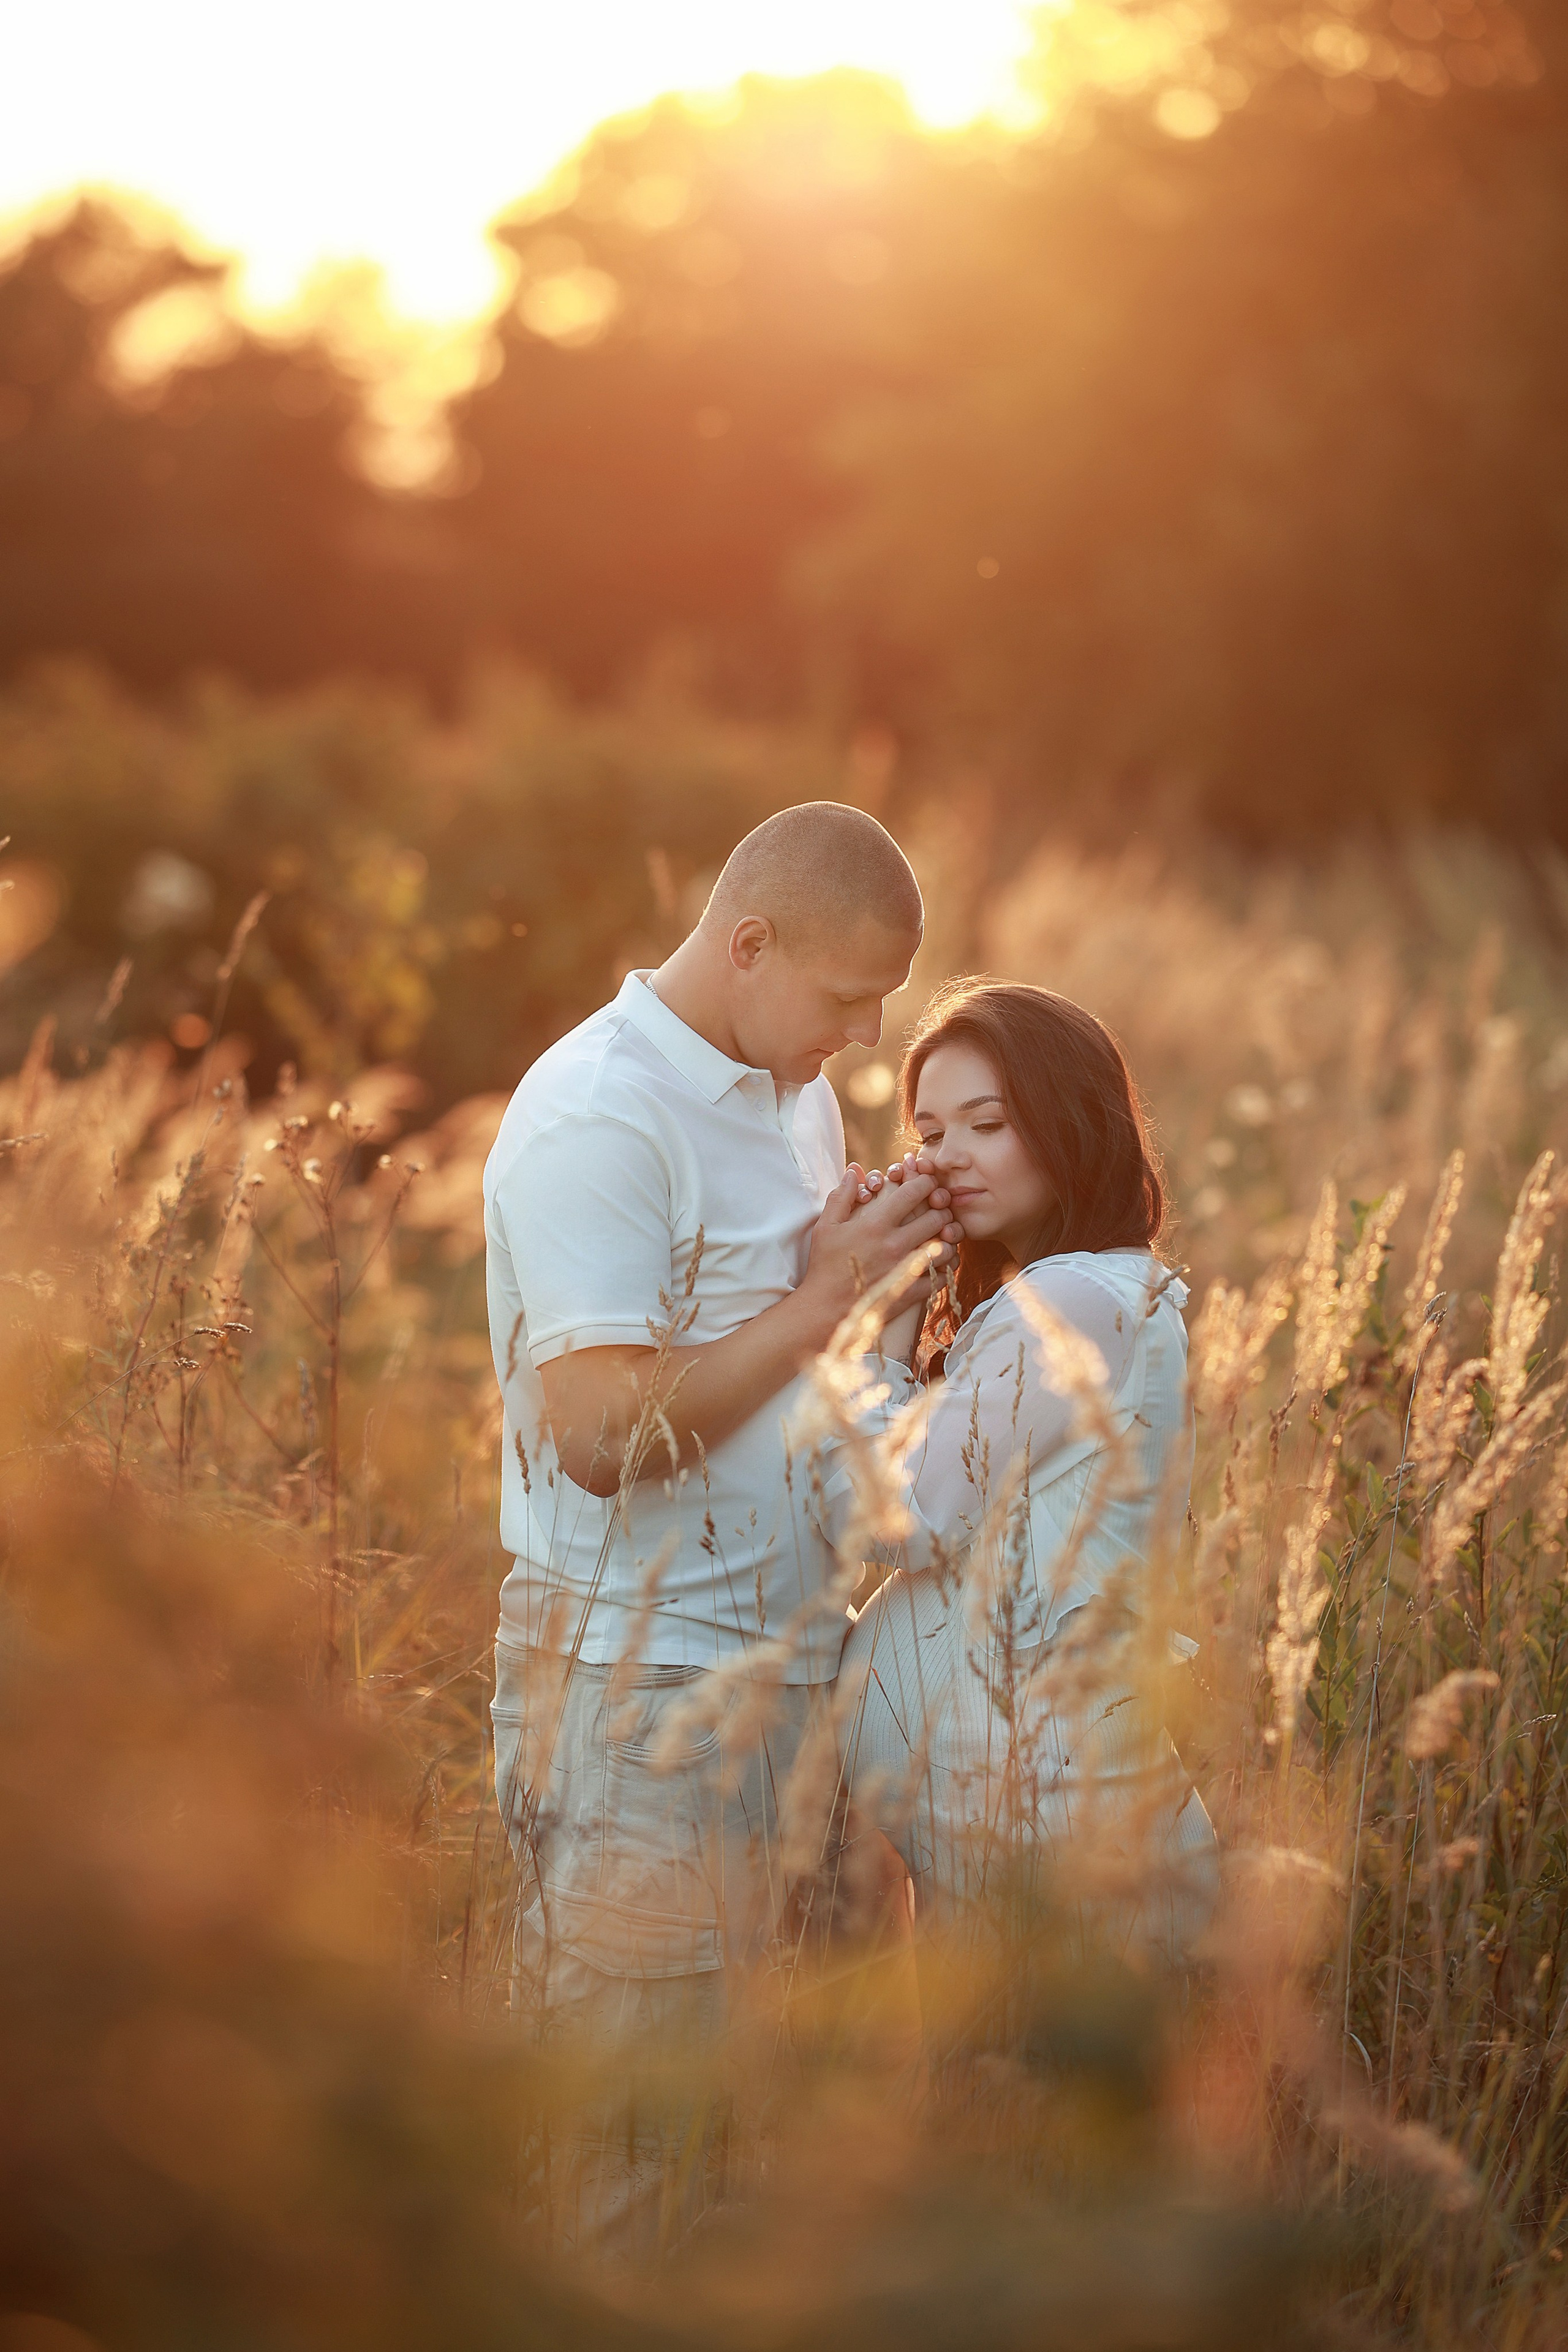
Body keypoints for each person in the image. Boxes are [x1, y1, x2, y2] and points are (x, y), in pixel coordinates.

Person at [481, 802, 958, 2239]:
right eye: (845, 998)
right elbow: (593, 1437)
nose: (869, 1039)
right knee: (626, 2167)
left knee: (791, 2165)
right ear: (746, 944)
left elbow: (778, 1343)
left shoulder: (786, 1084)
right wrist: (814, 1305)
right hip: (644, 1697)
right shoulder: (596, 1114)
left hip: (800, 1681)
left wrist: (855, 1266)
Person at [835, 979, 1218, 1959]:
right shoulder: (1076, 1292)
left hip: (1051, 1817)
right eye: (929, 1134)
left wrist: (876, 1341)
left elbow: (906, 1513)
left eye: (987, 1122)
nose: (948, 1155)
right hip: (1010, 1811)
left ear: (1070, 1122)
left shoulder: (1078, 1296)